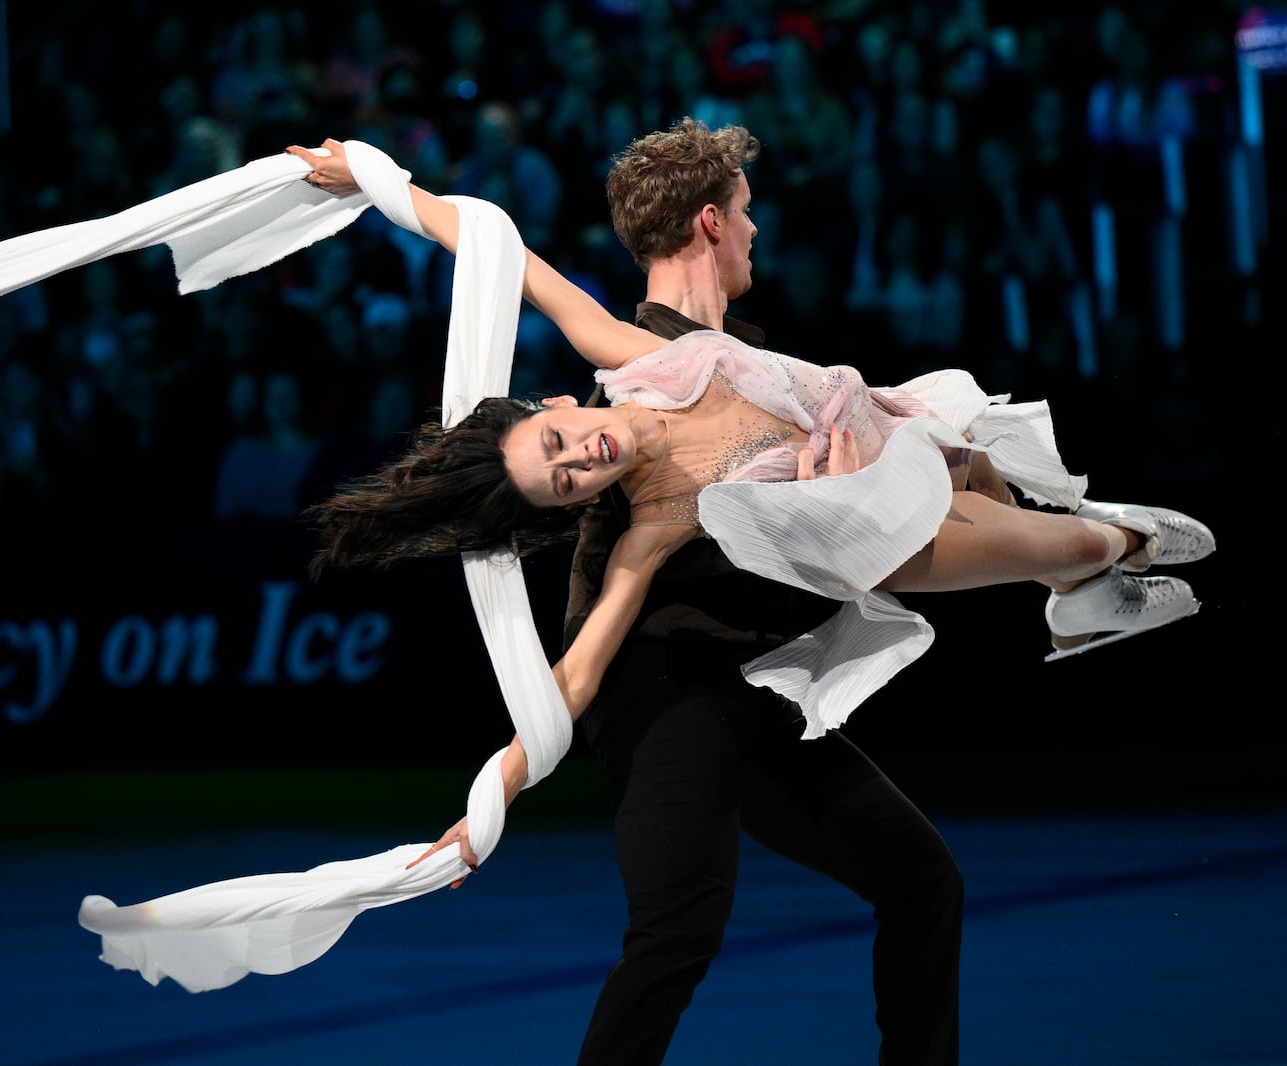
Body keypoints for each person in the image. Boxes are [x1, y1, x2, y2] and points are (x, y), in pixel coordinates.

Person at [290, 126, 1213, 1065]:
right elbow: (575, 675)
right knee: (679, 924)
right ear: (712, 222)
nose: (580, 463)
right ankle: (1100, 551)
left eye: (559, 448)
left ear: (554, 409)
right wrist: (485, 805)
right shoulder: (647, 512)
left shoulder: (660, 359)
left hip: (748, 672)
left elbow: (497, 247)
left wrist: (370, 176)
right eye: (564, 483)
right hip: (660, 697)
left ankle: (1083, 568)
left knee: (924, 878)